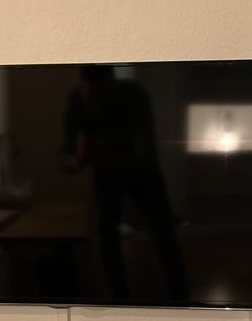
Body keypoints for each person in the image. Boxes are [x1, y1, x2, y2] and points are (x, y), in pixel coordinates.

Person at [60, 64, 188, 302]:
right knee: (107, 237)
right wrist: (76, 161)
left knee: (164, 235)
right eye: (91, 93)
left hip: (144, 174)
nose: (95, 99)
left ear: (111, 83)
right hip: (107, 175)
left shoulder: (133, 94)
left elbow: (146, 150)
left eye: (101, 93)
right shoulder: (77, 99)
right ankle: (120, 299)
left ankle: (180, 297)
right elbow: (64, 153)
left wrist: (105, 154)